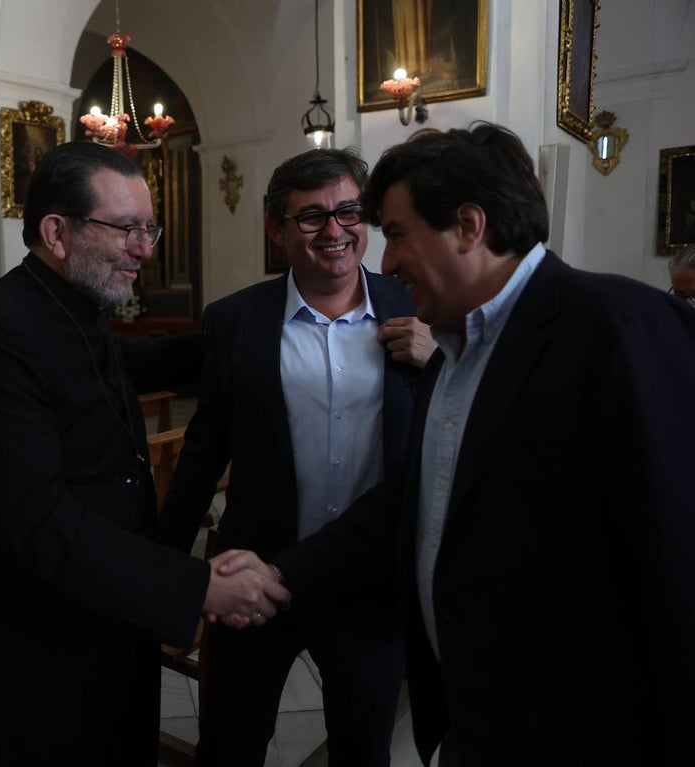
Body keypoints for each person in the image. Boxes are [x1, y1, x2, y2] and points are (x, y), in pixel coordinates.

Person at [231, 122, 695, 764]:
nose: (385, 262)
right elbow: (410, 501)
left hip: (585, 724)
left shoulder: (619, 328)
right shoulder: (457, 348)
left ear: (469, 226)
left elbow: (676, 555)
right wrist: (281, 571)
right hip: (482, 714)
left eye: (394, 234)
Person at [0, 141, 290, 766]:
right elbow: (34, 521)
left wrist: (240, 334)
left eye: (149, 228)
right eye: (126, 230)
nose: (145, 248)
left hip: (92, 611)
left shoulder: (69, 308)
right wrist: (195, 586)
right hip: (27, 641)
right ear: (57, 232)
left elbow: (116, 367)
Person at [157, 147, 435, 767]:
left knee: (363, 750)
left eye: (347, 212)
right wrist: (166, 573)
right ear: (276, 229)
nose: (334, 231)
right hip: (256, 575)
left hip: (369, 583)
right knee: (230, 745)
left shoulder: (417, 307)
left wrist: (437, 358)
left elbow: (454, 433)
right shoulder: (236, 321)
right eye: (311, 217)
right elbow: (203, 452)